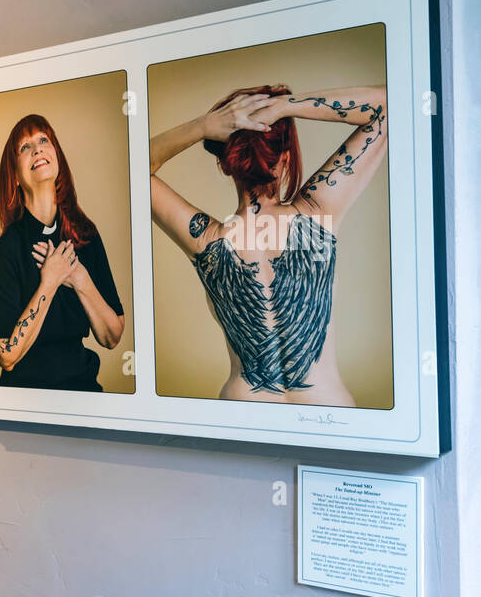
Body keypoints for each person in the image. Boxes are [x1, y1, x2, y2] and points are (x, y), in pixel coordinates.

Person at [149, 83, 388, 405]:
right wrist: (286, 106)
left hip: (245, 410)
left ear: (223, 164)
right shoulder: (316, 215)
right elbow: (386, 103)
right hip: (326, 409)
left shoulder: (207, 241)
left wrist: (202, 126)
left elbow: (132, 169)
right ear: (286, 157)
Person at [0, 115, 125, 390]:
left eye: (43, 140)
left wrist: (79, 279)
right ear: (14, 176)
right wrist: (49, 282)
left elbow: (112, 336)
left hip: (83, 393)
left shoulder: (86, 235)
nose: (37, 149)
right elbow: (6, 355)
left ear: (56, 157)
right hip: (24, 400)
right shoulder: (10, 245)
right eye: (24, 147)